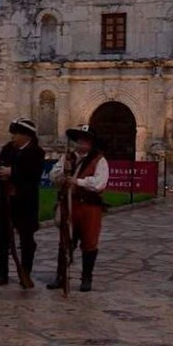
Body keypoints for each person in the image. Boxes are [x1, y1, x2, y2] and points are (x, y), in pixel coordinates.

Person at [47, 125, 109, 292]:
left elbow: (99, 183)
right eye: (80, 140)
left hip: (89, 207)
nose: (82, 144)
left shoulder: (99, 160)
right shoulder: (67, 158)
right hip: (69, 204)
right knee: (65, 241)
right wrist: (63, 175)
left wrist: (78, 182)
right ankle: (60, 276)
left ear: (91, 144)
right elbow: (53, 176)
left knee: (89, 242)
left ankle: (86, 278)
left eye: (86, 141)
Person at [0, 118, 45, 287]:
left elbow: (33, 174)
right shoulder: (7, 149)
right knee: (1, 237)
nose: (13, 137)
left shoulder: (36, 152)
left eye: (16, 134)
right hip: (5, 200)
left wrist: (12, 172)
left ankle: (25, 272)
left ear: (26, 135)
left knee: (26, 238)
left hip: (25, 203)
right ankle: (2, 273)